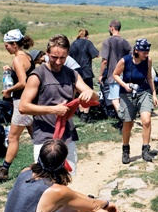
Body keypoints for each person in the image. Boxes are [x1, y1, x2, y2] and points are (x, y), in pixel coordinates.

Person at [2, 139, 118, 212]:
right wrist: (106, 203)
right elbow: (93, 205)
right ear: (63, 163)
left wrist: (91, 200)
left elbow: (74, 197)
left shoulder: (26, 172)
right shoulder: (57, 191)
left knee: (80, 209)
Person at [19, 34, 99, 175]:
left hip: (67, 137)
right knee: (44, 182)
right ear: (47, 52)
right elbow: (23, 107)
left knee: (68, 178)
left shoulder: (72, 74)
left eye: (63, 57)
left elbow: (95, 96)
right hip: (44, 137)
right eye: (54, 57)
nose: (58, 61)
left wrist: (89, 93)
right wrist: (53, 110)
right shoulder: (37, 75)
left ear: (68, 54)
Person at [0, 29, 36, 182]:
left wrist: (8, 91)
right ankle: (48, 163)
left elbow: (23, 82)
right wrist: (10, 71)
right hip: (31, 100)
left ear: (14, 44)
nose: (5, 48)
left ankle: (4, 170)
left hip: (22, 102)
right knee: (36, 136)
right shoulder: (27, 57)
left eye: (7, 45)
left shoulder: (17, 59)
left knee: (13, 137)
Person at [113, 38, 158, 164]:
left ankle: (145, 149)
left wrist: (154, 94)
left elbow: (149, 77)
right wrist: (124, 85)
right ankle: (126, 149)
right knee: (128, 123)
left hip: (144, 91)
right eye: (144, 52)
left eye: (148, 51)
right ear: (137, 50)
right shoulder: (125, 60)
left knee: (146, 120)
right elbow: (115, 74)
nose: (146, 54)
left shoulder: (148, 60)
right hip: (127, 94)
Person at [99, 20, 132, 114]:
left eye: (109, 28)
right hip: (124, 74)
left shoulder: (107, 42)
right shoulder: (125, 42)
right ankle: (127, 116)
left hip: (113, 75)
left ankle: (122, 118)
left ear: (112, 28)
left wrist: (100, 75)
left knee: (115, 99)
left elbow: (104, 60)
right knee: (123, 98)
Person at [69, 29, 100, 123]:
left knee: (78, 93)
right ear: (87, 35)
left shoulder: (73, 44)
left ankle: (81, 112)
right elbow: (96, 54)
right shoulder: (87, 43)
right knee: (88, 92)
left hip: (75, 71)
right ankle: (86, 114)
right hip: (86, 71)